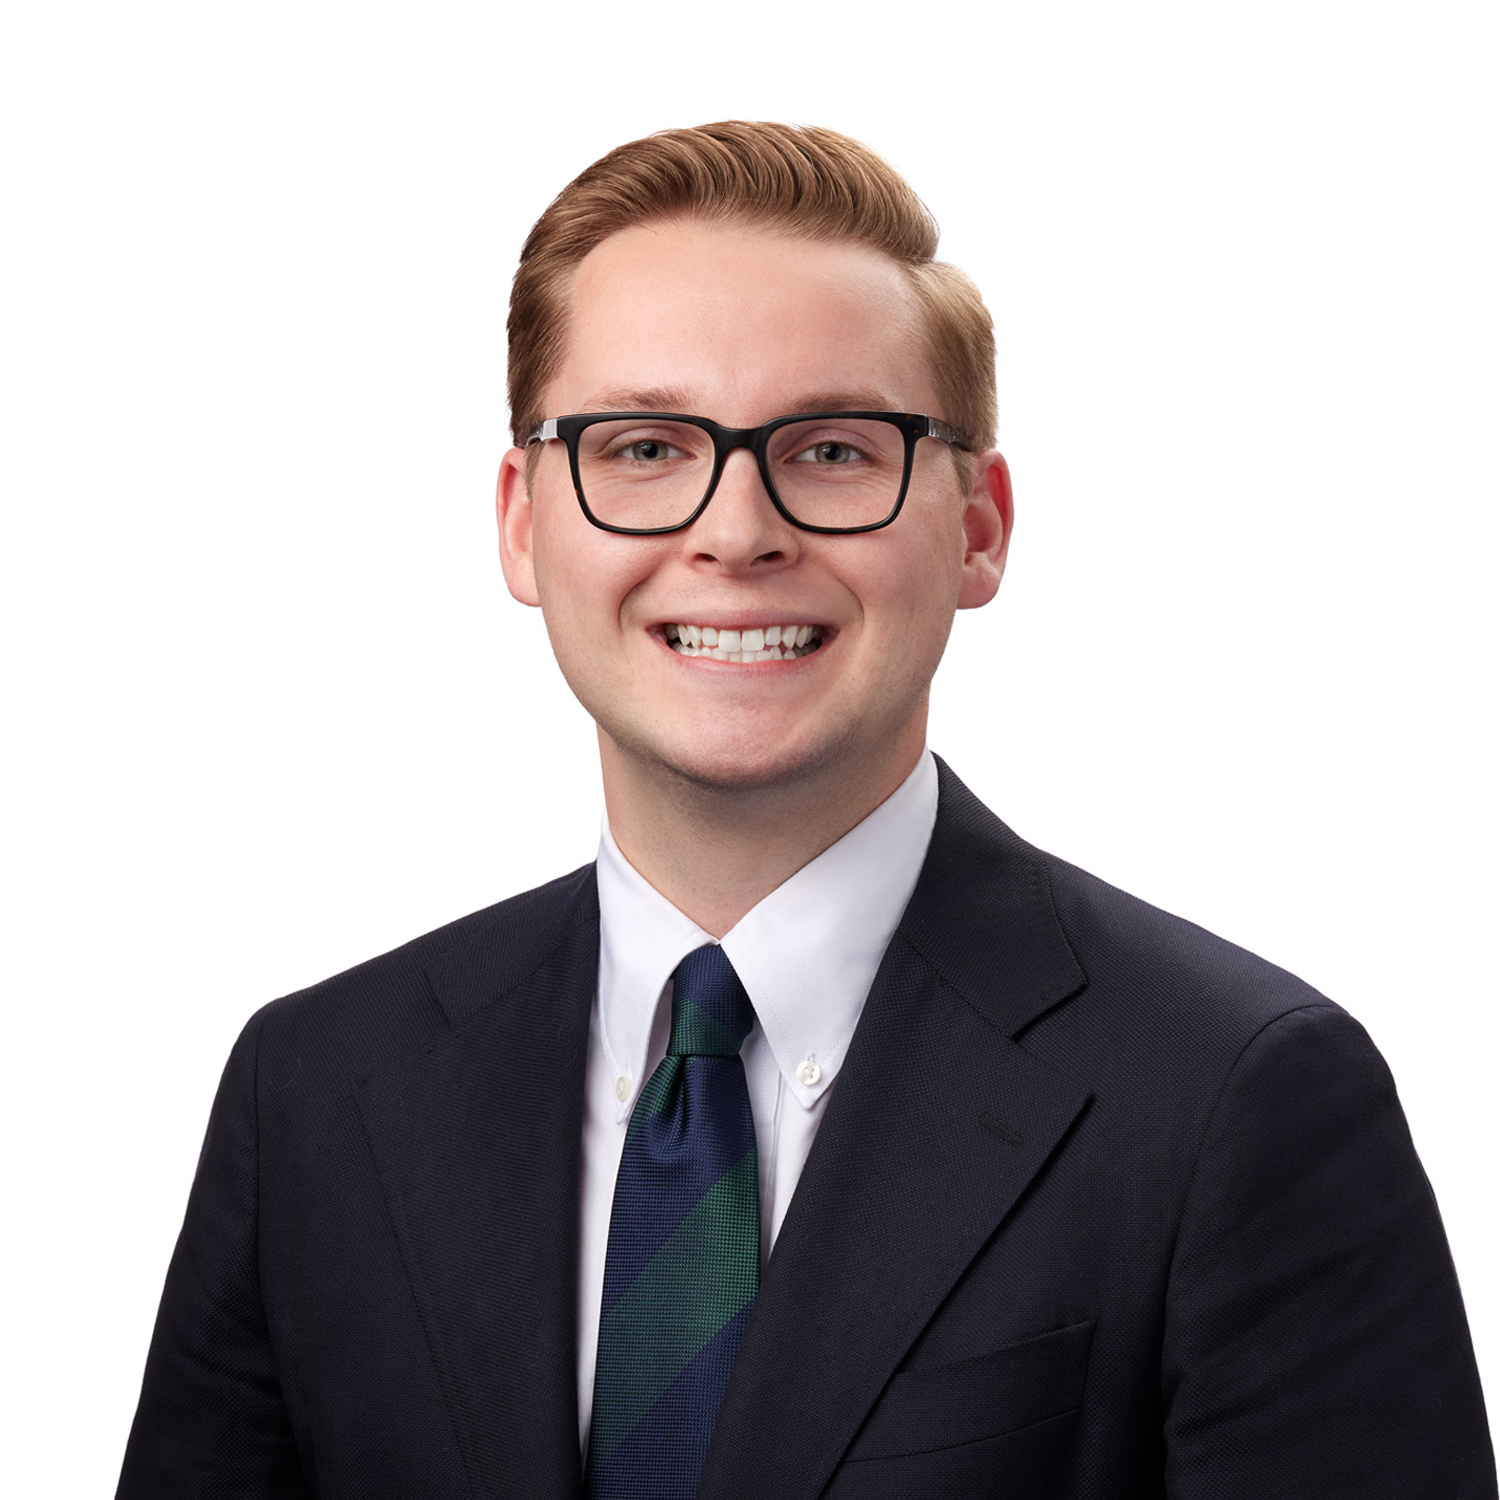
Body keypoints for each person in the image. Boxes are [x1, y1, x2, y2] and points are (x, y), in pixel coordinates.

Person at [117, 121, 1495, 1499]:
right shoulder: (314, 1094)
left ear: (977, 528)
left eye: (833, 449)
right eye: (645, 444)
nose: (734, 529)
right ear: (523, 525)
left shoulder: (1237, 1101)